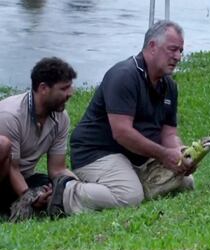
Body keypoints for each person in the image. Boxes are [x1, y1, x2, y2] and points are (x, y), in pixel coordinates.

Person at [47, 20, 195, 217]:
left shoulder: (169, 86)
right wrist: (164, 155)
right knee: (129, 197)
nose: (178, 57)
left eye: (180, 51)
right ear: (152, 47)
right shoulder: (124, 75)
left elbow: (168, 133)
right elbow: (122, 133)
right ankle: (64, 194)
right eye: (173, 50)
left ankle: (132, 184)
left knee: (186, 182)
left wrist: (181, 154)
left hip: (134, 157)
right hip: (98, 152)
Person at [0, 57, 77, 220]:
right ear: (43, 88)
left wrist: (79, 186)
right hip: (4, 174)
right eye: (64, 88)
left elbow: (58, 169)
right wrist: (30, 197)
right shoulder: (10, 115)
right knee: (3, 145)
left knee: (52, 187)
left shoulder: (61, 118)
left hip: (23, 178)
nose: (71, 93)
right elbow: (12, 168)